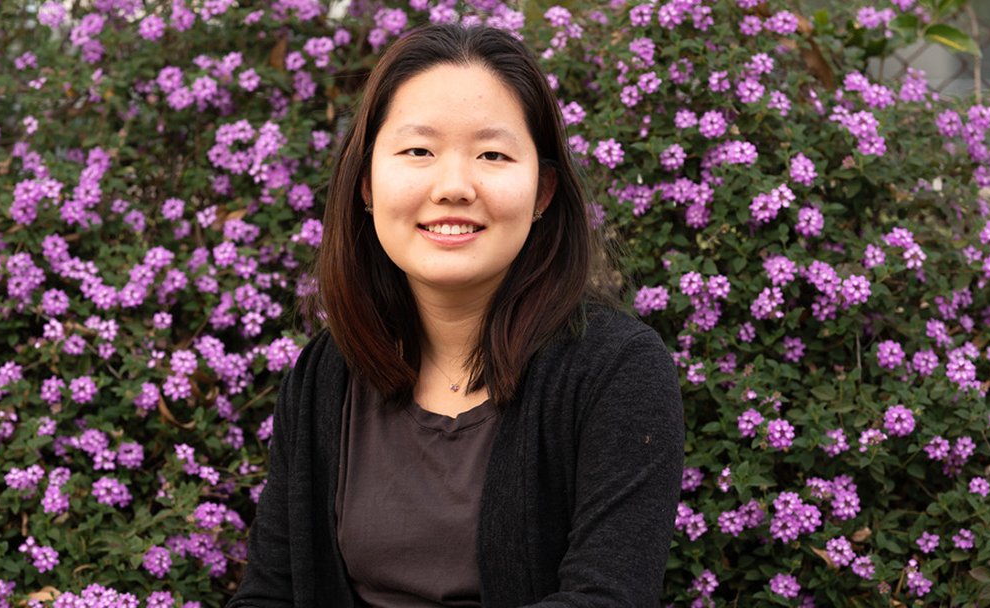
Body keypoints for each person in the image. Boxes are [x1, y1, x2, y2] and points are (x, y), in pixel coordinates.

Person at [228, 22, 684, 608]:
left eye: (492, 154)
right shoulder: (326, 374)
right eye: (418, 150)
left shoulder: (615, 372)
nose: (453, 186)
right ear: (366, 182)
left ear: (543, 191)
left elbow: (608, 598)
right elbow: (271, 593)